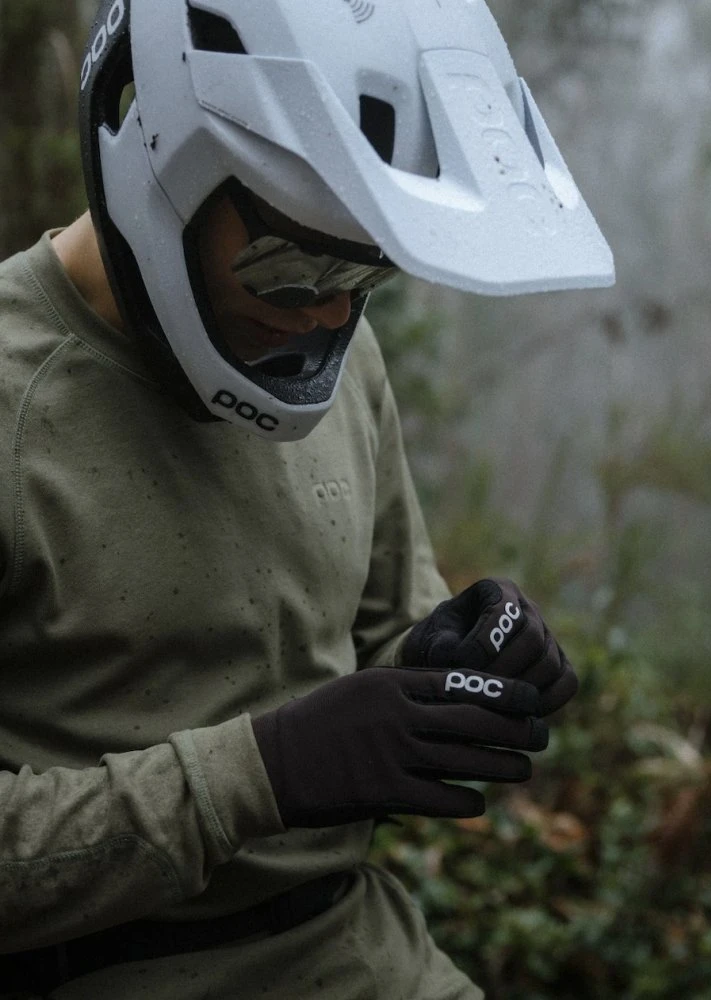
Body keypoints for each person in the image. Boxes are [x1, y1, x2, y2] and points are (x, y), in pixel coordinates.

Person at [0, 1, 614, 997]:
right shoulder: (15, 395)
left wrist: (453, 657)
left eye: (366, 266)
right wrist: (265, 771)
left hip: (364, 949)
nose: (327, 309)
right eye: (290, 265)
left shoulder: (332, 356)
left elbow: (379, 630)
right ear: (163, 168)